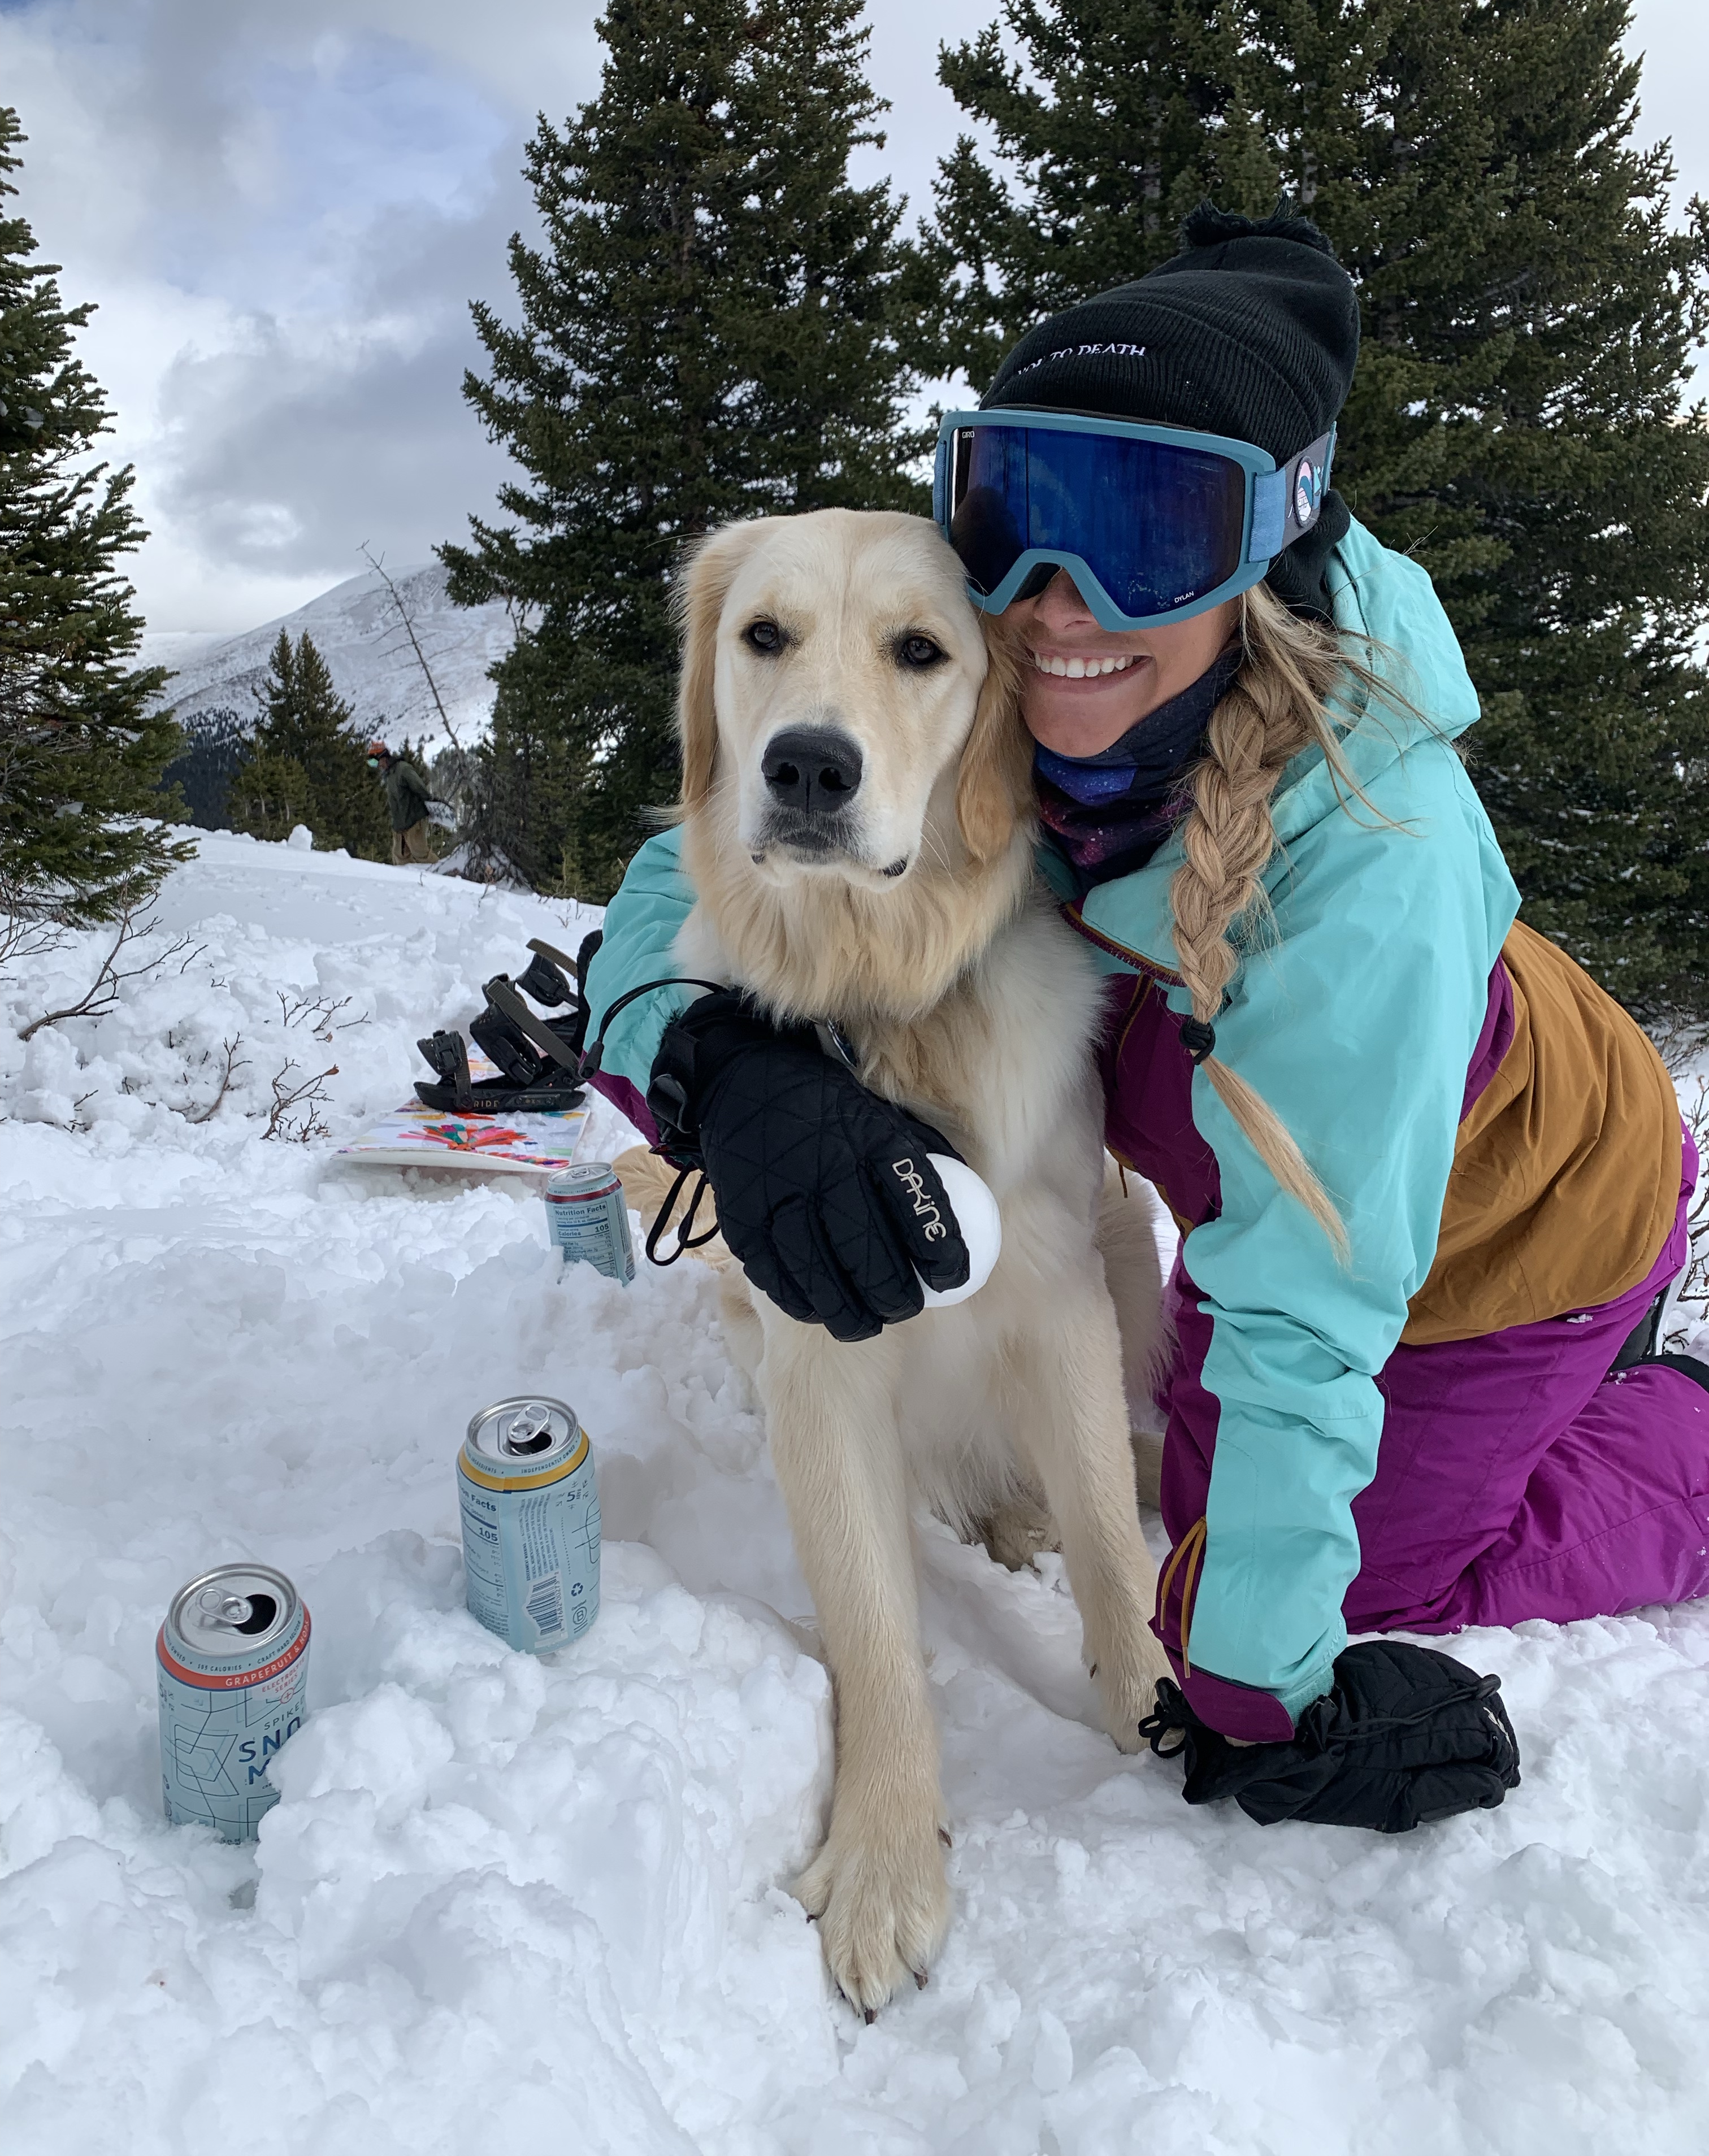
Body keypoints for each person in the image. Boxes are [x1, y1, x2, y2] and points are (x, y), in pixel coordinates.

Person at [583, 207, 1705, 1816]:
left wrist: (1260, 1690)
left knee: (1357, 1573)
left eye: (1154, 525)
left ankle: (1673, 1429)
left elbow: (1306, 1317)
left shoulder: (1366, 868)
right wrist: (713, 1068)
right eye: (1023, 507)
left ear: (1267, 555)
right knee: (1182, 1471)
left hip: (1522, 1220)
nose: (1063, 598)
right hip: (1307, 1210)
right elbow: (678, 876)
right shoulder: (1024, 711)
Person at [366, 738, 432, 864]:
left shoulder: (403, 769)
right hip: (399, 824)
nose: (376, 766)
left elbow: (420, 788)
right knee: (400, 857)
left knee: (422, 855)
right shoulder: (389, 775)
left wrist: (430, 805)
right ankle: (407, 877)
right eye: (371, 764)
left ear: (383, 757)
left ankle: (442, 873)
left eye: (374, 762)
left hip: (414, 819)